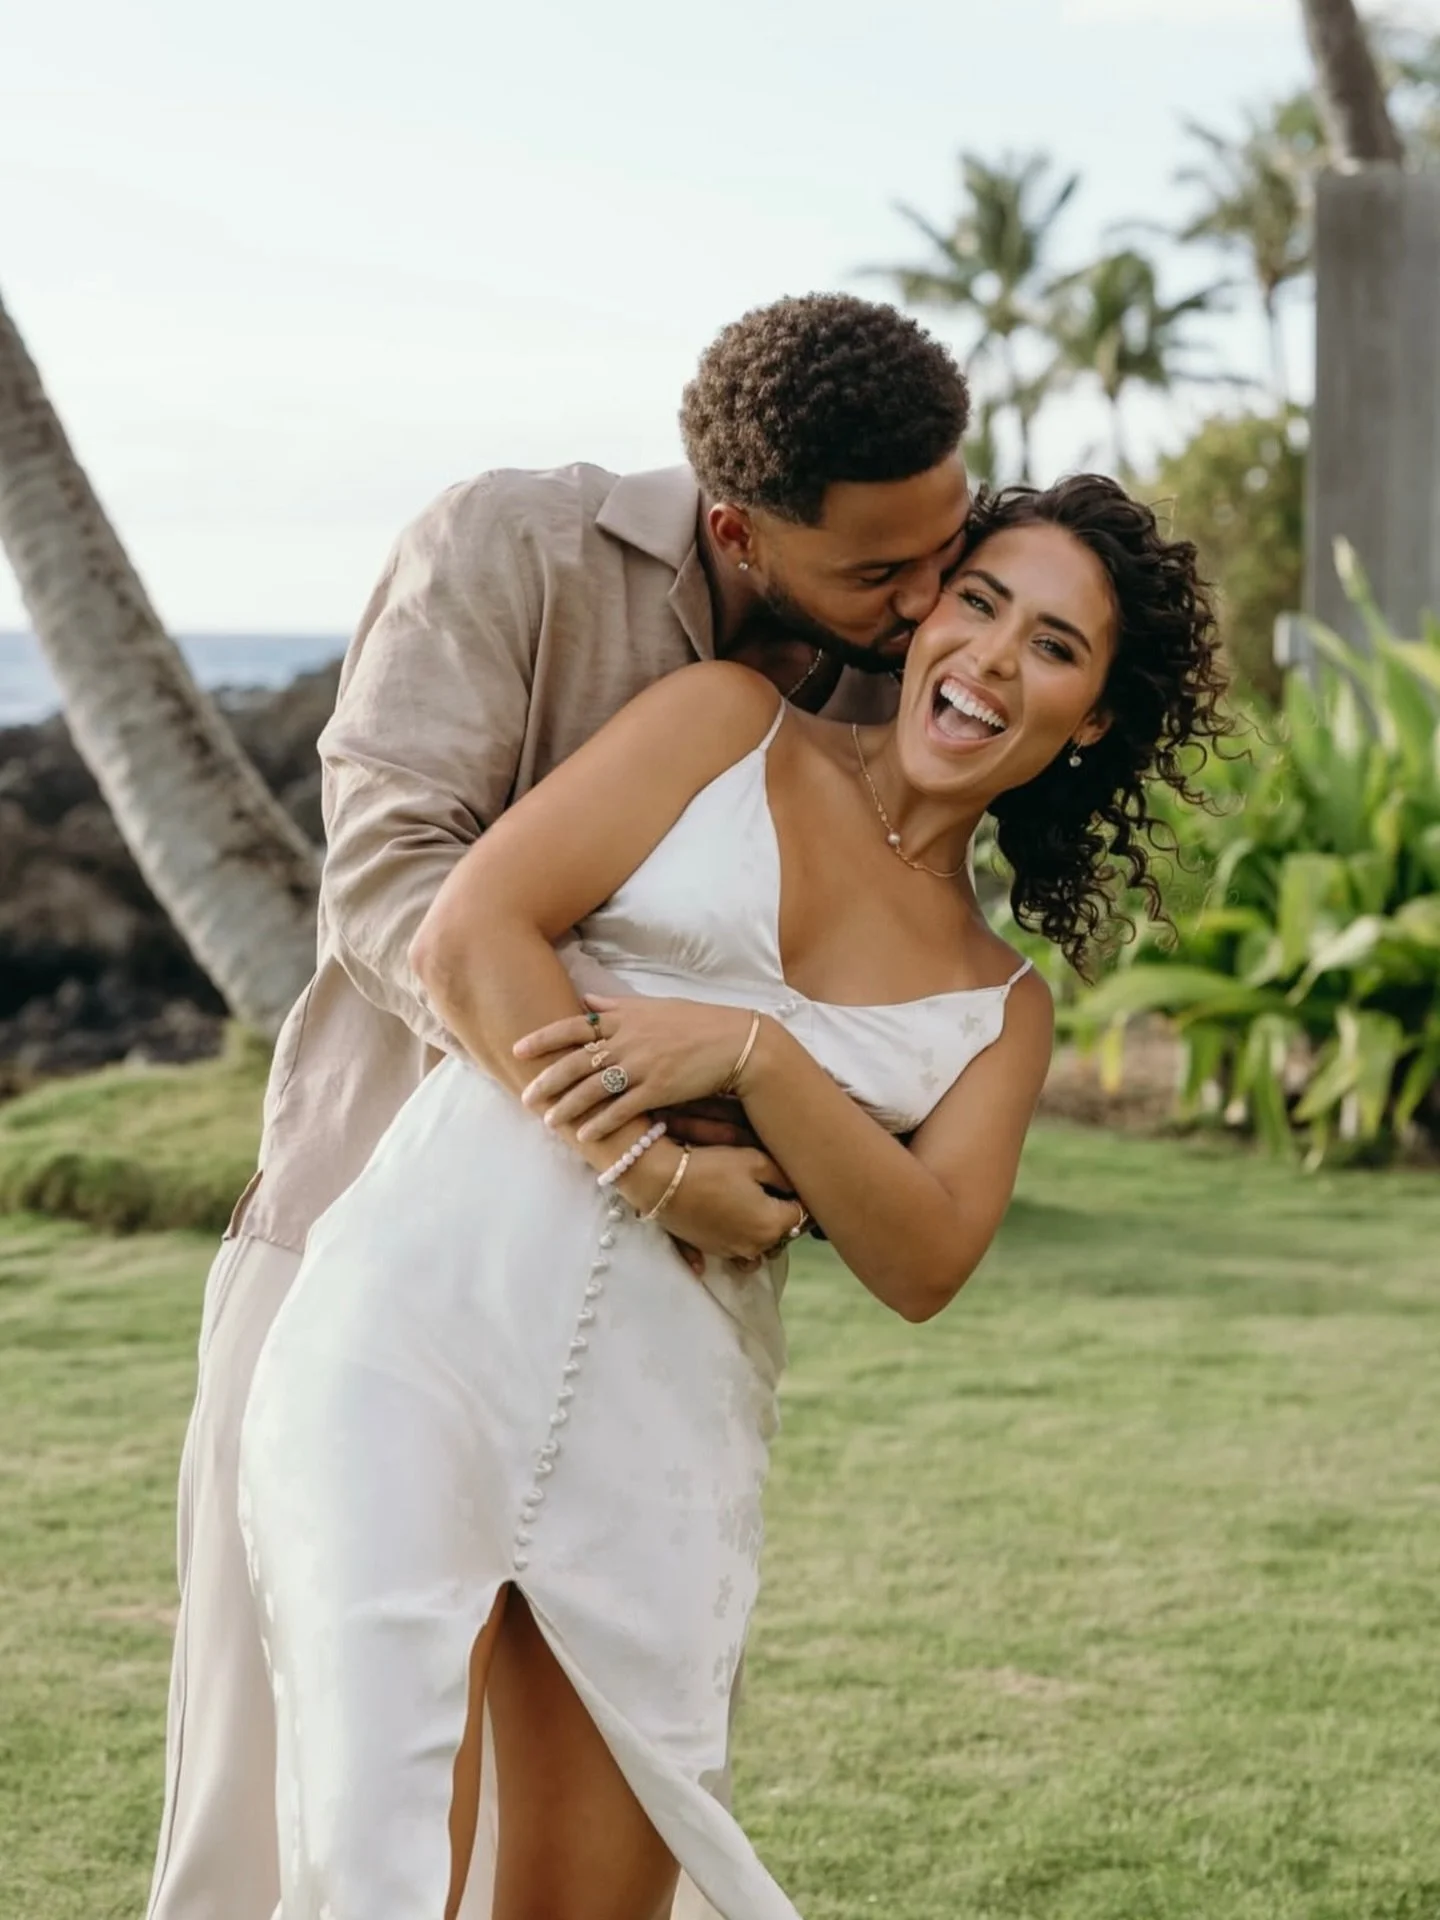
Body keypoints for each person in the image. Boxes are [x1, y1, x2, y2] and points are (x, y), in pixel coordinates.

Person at [236, 473, 1229, 1920]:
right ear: (926, 612)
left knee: (595, 1901)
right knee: (372, 1872)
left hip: (666, 1425)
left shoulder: (1002, 1010)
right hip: (421, 1326)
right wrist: (660, 1170)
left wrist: (759, 1062)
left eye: (1056, 649)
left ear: (1086, 724)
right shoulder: (719, 723)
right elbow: (467, 935)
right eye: (980, 601)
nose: (994, 660)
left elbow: (927, 1255)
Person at [145, 291, 975, 1920]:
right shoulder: (507, 548)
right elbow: (397, 890)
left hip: (646, 1347)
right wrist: (649, 1141)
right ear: (738, 527)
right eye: (882, 571)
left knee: (597, 1864)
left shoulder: (891, 668)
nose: (928, 598)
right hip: (365, 1265)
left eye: (946, 543)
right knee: (285, 1833)